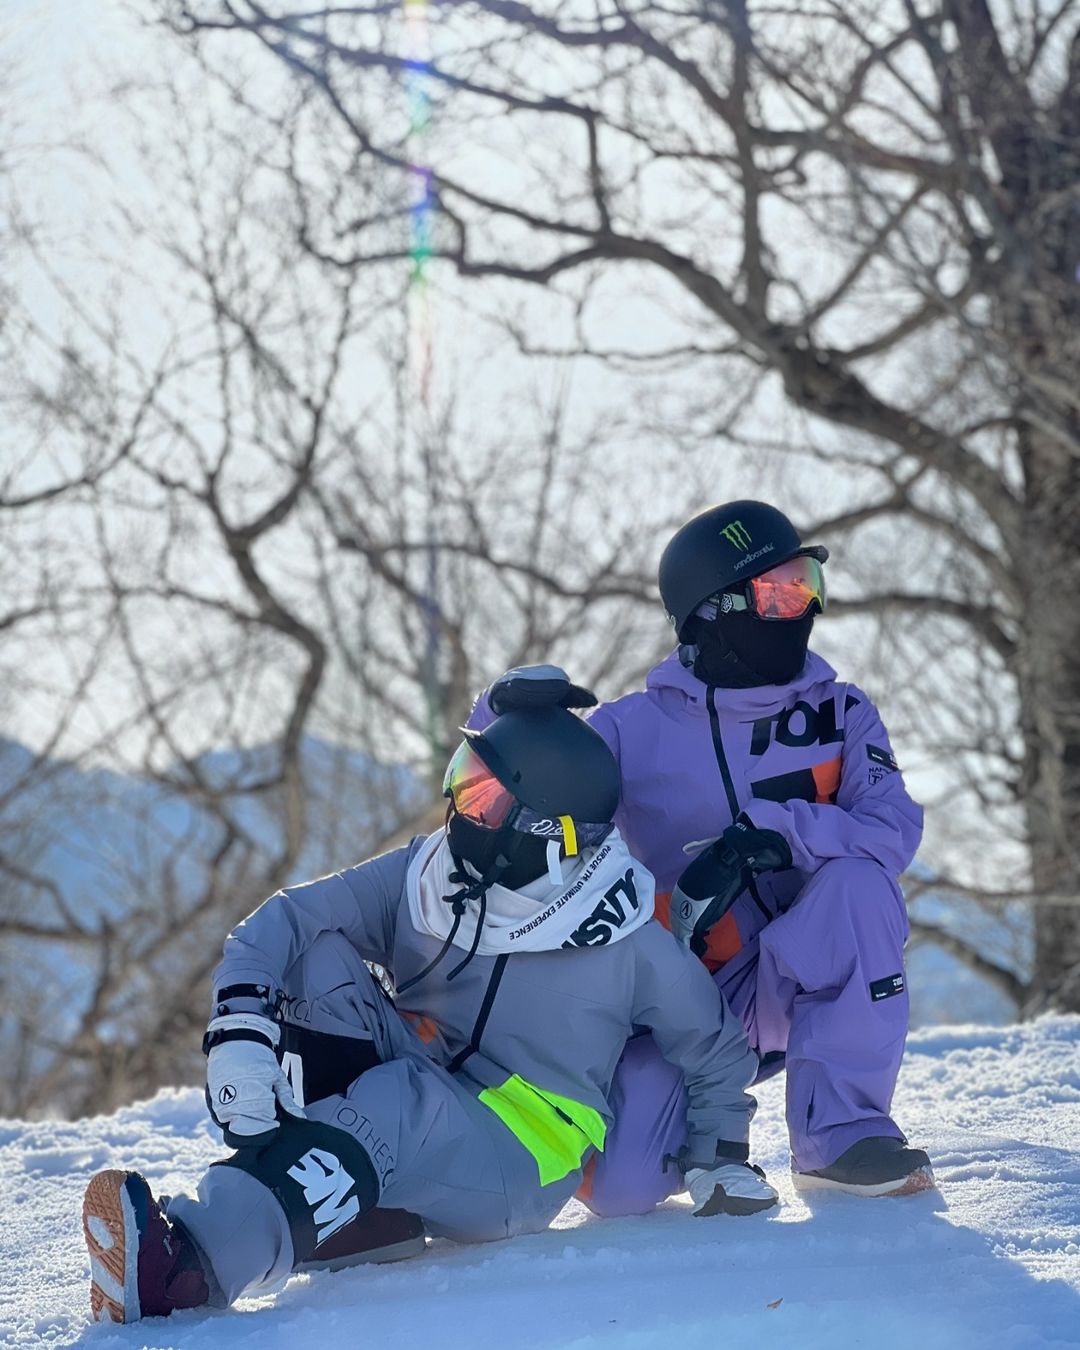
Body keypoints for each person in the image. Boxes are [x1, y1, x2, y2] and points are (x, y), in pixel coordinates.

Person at [82, 706, 777, 1324]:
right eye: (463, 777)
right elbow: (290, 917)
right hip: (424, 1066)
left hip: (521, 1147)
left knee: (399, 1105)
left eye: (483, 796)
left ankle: (190, 1269)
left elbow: (714, 1046)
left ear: (543, 831)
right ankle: (359, 1219)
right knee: (311, 954)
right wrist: (239, 1024)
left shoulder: (625, 940)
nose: (457, 804)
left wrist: (719, 1154)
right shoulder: (433, 876)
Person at [473, 500, 933, 1206]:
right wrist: (502, 717)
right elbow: (516, 798)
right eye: (780, 593)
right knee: (620, 1190)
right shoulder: (628, 731)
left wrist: (779, 831)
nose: (805, 607)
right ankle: (675, 1139)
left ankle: (842, 1134)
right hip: (690, 999)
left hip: (803, 971)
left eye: (807, 584)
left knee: (860, 887)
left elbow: (891, 827)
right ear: (714, 613)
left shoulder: (841, 713)